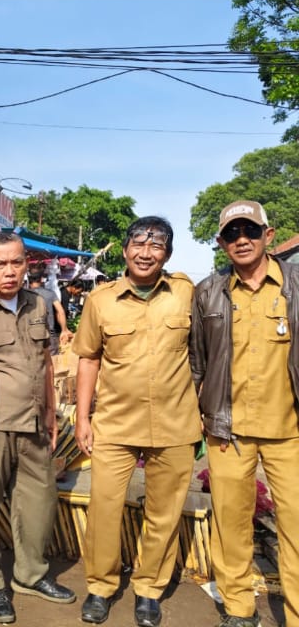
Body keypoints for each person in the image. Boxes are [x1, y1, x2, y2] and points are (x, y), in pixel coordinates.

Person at [74, 216, 199, 627]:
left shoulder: (185, 294)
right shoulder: (101, 300)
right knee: (105, 507)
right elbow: (89, 358)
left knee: (164, 512)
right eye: (139, 245)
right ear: (125, 249)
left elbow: (205, 353)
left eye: (157, 246)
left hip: (175, 423)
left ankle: (148, 589)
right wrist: (83, 417)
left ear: (168, 254)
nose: (146, 253)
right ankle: (101, 586)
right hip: (115, 422)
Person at [191, 201, 299, 627]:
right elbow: (196, 361)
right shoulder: (208, 291)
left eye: (250, 231)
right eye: (232, 233)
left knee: (295, 527)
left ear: (268, 236)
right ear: (221, 242)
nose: (241, 240)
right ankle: (239, 609)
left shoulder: (296, 285)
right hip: (227, 429)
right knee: (231, 525)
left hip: (289, 429)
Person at [0, 232, 75, 624]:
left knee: (39, 504)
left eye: (16, 263)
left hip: (35, 424)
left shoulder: (38, 305)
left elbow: (45, 360)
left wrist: (51, 411)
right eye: (0, 264)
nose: (9, 271)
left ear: (26, 265)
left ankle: (30, 574)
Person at [27, 268, 67, 356]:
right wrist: (64, 330)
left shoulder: (24, 295)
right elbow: (60, 312)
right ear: (41, 279)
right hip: (49, 336)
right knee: (52, 363)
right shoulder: (50, 293)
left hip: (30, 337)